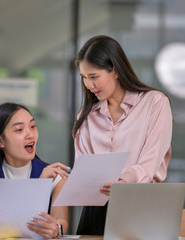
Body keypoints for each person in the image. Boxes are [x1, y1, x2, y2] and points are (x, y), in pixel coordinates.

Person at [73, 35, 173, 235]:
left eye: (93, 77)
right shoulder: (87, 116)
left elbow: (150, 162)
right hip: (96, 209)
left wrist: (123, 182)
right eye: (84, 78)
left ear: (115, 71)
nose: (89, 85)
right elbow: (84, 169)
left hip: (140, 203)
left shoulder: (154, 103)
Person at [0, 103, 69, 239]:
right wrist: (39, 185)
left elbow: (61, 221)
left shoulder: (54, 176)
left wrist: (56, 228)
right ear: (0, 141)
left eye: (32, 126)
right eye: (19, 130)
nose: (30, 134)